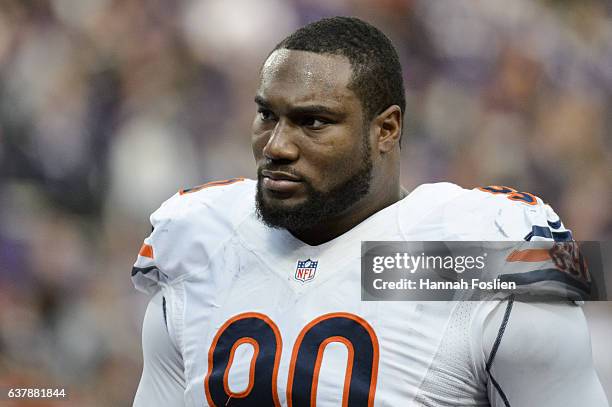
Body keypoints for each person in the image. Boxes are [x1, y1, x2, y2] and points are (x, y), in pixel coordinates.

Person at [131, 17, 608, 407]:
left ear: (386, 129)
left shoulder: (472, 254)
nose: (275, 146)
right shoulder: (201, 236)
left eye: (312, 121)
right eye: (267, 115)